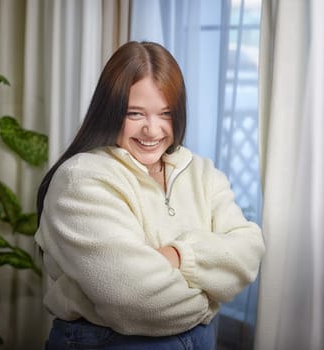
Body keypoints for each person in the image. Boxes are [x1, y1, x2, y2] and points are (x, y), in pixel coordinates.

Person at [34, 41, 265, 350]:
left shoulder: (201, 171)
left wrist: (179, 256)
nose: (152, 130)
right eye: (135, 113)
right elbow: (131, 296)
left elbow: (248, 250)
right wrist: (208, 301)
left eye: (165, 113)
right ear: (110, 110)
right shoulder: (81, 179)